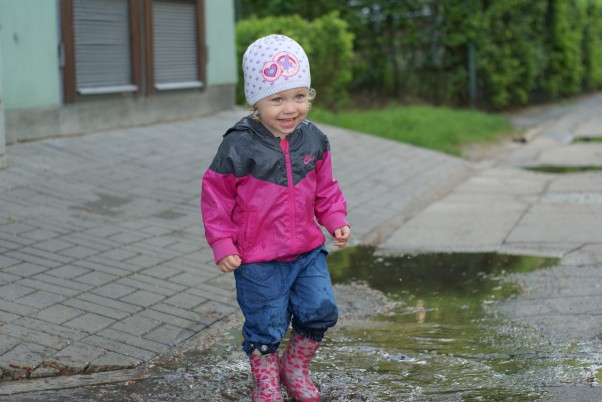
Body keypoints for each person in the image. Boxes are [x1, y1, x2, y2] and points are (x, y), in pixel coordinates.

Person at [201, 34, 351, 402]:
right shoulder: (239, 145)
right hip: (257, 259)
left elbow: (325, 187)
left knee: (321, 309)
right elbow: (215, 196)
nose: (290, 109)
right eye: (277, 99)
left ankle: (295, 366)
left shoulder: (314, 140)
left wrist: (334, 217)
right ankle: (266, 378)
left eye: (299, 96)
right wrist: (223, 242)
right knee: (265, 325)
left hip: (306, 252)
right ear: (256, 100)